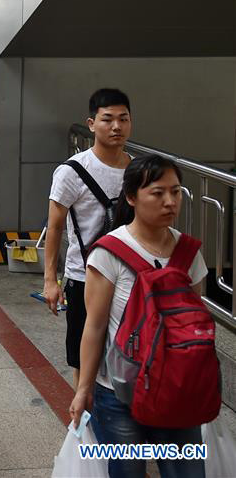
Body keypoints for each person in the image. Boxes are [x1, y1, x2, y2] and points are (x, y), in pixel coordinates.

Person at [70, 155, 208, 478]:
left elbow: (196, 323)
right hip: (119, 396)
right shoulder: (108, 253)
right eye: (158, 193)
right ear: (131, 197)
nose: (170, 202)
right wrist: (83, 389)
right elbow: (95, 326)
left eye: (175, 192)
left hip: (177, 394)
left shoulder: (190, 253)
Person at [44, 89, 131, 388]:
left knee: (128, 350)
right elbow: (54, 228)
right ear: (92, 124)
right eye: (108, 119)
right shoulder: (72, 171)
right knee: (83, 355)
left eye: (123, 119)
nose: (116, 126)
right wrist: (50, 281)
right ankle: (85, 417)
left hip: (130, 278)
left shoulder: (137, 170)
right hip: (85, 277)